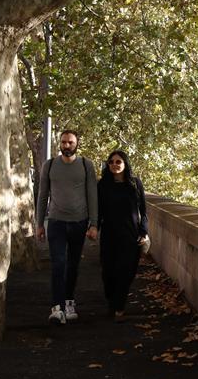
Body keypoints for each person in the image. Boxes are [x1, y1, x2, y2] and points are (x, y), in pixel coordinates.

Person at [36, 130, 98, 325]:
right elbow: (42, 194)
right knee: (58, 264)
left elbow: (92, 195)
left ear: (77, 144)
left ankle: (69, 302)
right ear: (59, 144)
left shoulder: (86, 165)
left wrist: (94, 224)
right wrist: (39, 223)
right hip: (56, 222)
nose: (67, 145)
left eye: (70, 142)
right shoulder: (50, 165)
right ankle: (57, 308)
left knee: (72, 264)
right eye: (64, 142)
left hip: (79, 223)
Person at [97, 150, 149, 322]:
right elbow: (98, 211)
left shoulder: (135, 184)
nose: (114, 164)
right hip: (109, 235)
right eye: (111, 162)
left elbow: (143, 211)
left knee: (126, 271)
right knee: (108, 272)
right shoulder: (102, 185)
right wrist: (93, 227)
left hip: (130, 235)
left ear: (125, 164)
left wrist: (144, 231)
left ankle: (118, 306)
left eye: (118, 162)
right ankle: (112, 300)